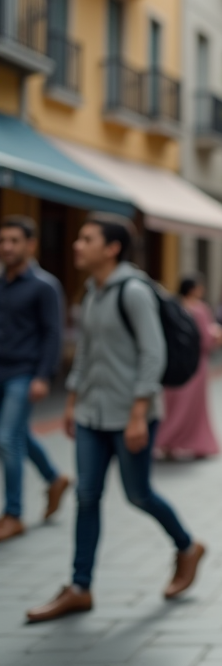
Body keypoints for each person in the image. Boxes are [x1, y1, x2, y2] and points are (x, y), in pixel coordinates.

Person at [27, 214, 204, 623]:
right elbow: (86, 351)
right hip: (92, 412)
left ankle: (187, 546)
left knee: (138, 493)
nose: (76, 244)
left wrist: (139, 412)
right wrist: (72, 400)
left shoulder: (134, 292)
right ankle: (79, 587)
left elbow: (152, 354)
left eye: (86, 239)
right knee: (87, 496)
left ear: (112, 248)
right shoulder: (91, 291)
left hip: (130, 415)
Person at [0, 216, 71, 541]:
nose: (7, 247)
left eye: (14, 241)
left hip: (24, 373)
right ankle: (54, 479)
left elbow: (52, 334)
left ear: (30, 245)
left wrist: (43, 376)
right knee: (18, 435)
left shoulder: (44, 286)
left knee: (7, 439)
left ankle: (13, 514)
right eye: (3, 241)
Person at [156, 277, 222, 460]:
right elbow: (205, 339)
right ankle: (196, 443)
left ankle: (166, 443)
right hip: (195, 364)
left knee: (172, 406)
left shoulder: (174, 307)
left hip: (173, 363)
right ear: (194, 289)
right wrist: (218, 335)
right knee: (194, 409)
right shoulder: (200, 309)